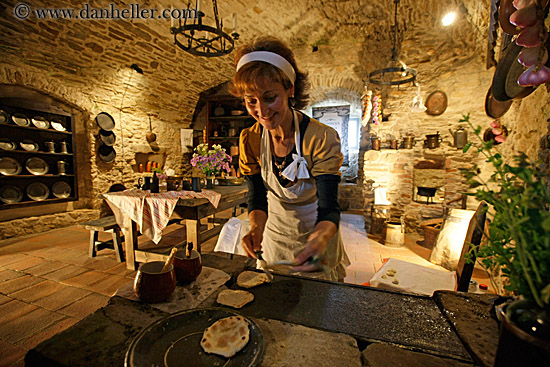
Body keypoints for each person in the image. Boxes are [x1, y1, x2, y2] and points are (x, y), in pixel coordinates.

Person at [229, 36, 349, 281]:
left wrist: (319, 238)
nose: (261, 112)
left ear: (289, 89)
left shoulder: (321, 137)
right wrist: (256, 228)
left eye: (269, 97)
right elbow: (257, 197)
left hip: (317, 233)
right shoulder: (249, 139)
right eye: (251, 101)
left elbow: (329, 208)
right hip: (276, 236)